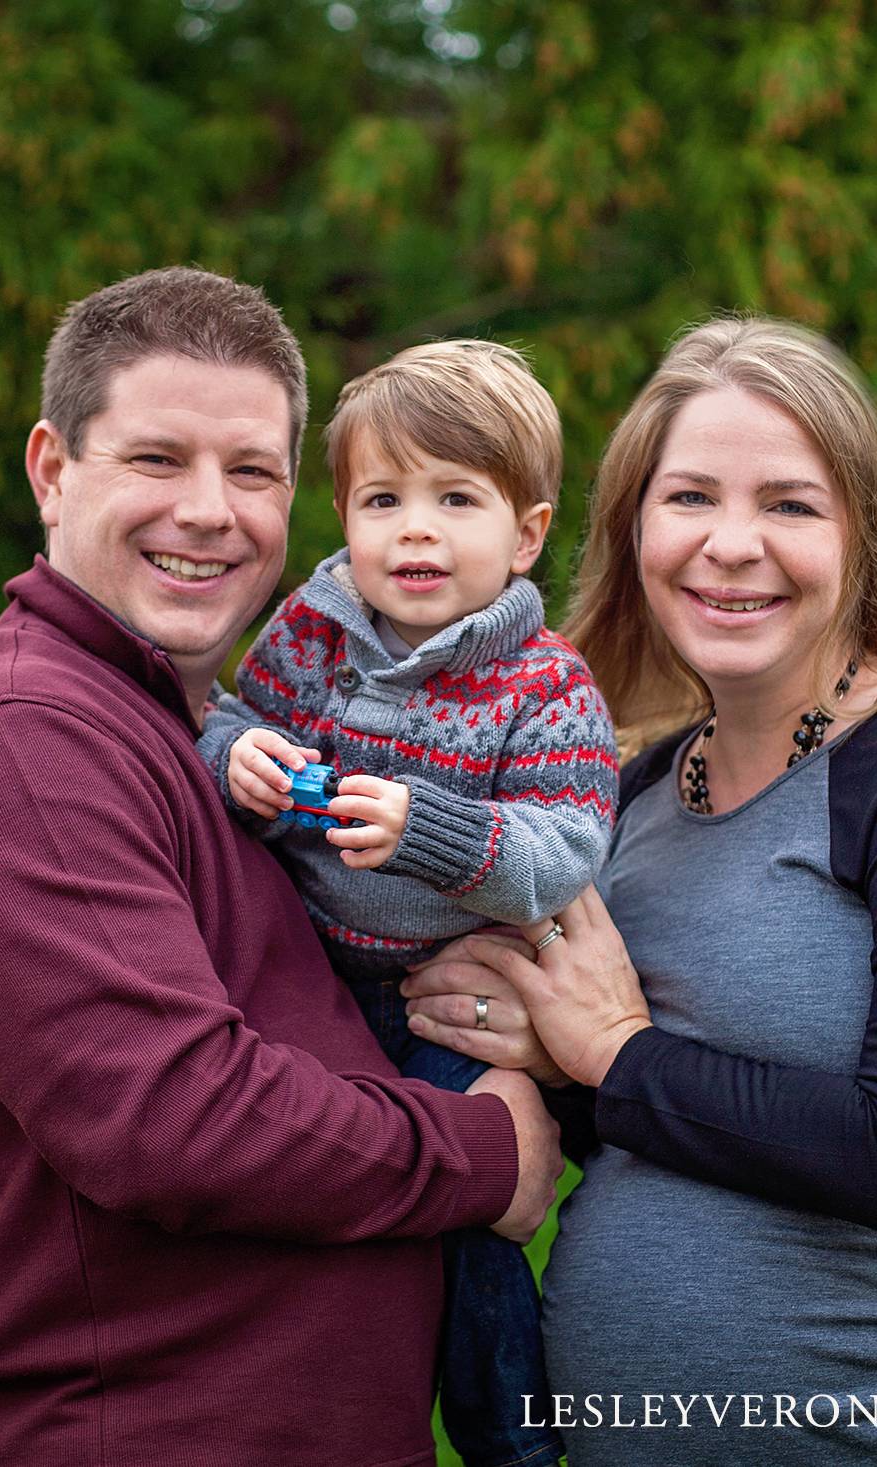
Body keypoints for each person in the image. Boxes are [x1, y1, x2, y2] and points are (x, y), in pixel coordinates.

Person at [0, 267, 563, 1467]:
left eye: (251, 472)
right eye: (154, 461)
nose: (208, 512)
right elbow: (168, 1118)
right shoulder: (22, 737)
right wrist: (484, 1153)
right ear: (49, 470)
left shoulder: (198, 731)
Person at [403, 318, 877, 1465]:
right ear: (632, 530)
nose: (731, 545)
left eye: (789, 504)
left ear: (864, 536)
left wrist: (615, 1052)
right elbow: (656, 1132)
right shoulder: (623, 798)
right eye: (688, 500)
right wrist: (547, 1061)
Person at [197, 339, 618, 1467]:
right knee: (331, 1232)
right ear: (345, 516)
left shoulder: (545, 684)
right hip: (311, 984)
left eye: (455, 499)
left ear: (525, 533)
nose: (414, 530)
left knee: (476, 1230)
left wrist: (427, 830)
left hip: (448, 1005)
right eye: (384, 499)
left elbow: (562, 850)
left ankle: (513, 1444)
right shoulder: (311, 630)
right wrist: (239, 759)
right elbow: (233, 720)